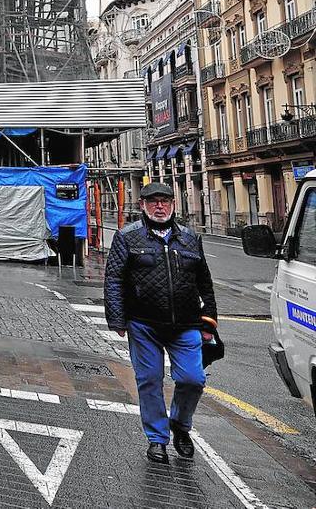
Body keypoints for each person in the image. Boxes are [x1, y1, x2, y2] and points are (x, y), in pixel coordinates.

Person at [105, 182, 218, 465]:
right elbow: (114, 279)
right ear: (142, 205)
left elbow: (204, 281)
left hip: (187, 324)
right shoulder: (127, 237)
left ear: (173, 205)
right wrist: (117, 317)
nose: (159, 206)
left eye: (165, 201)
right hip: (144, 324)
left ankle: (180, 424)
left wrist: (209, 321)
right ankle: (157, 439)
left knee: (193, 379)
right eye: (153, 201)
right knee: (149, 381)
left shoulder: (191, 238)